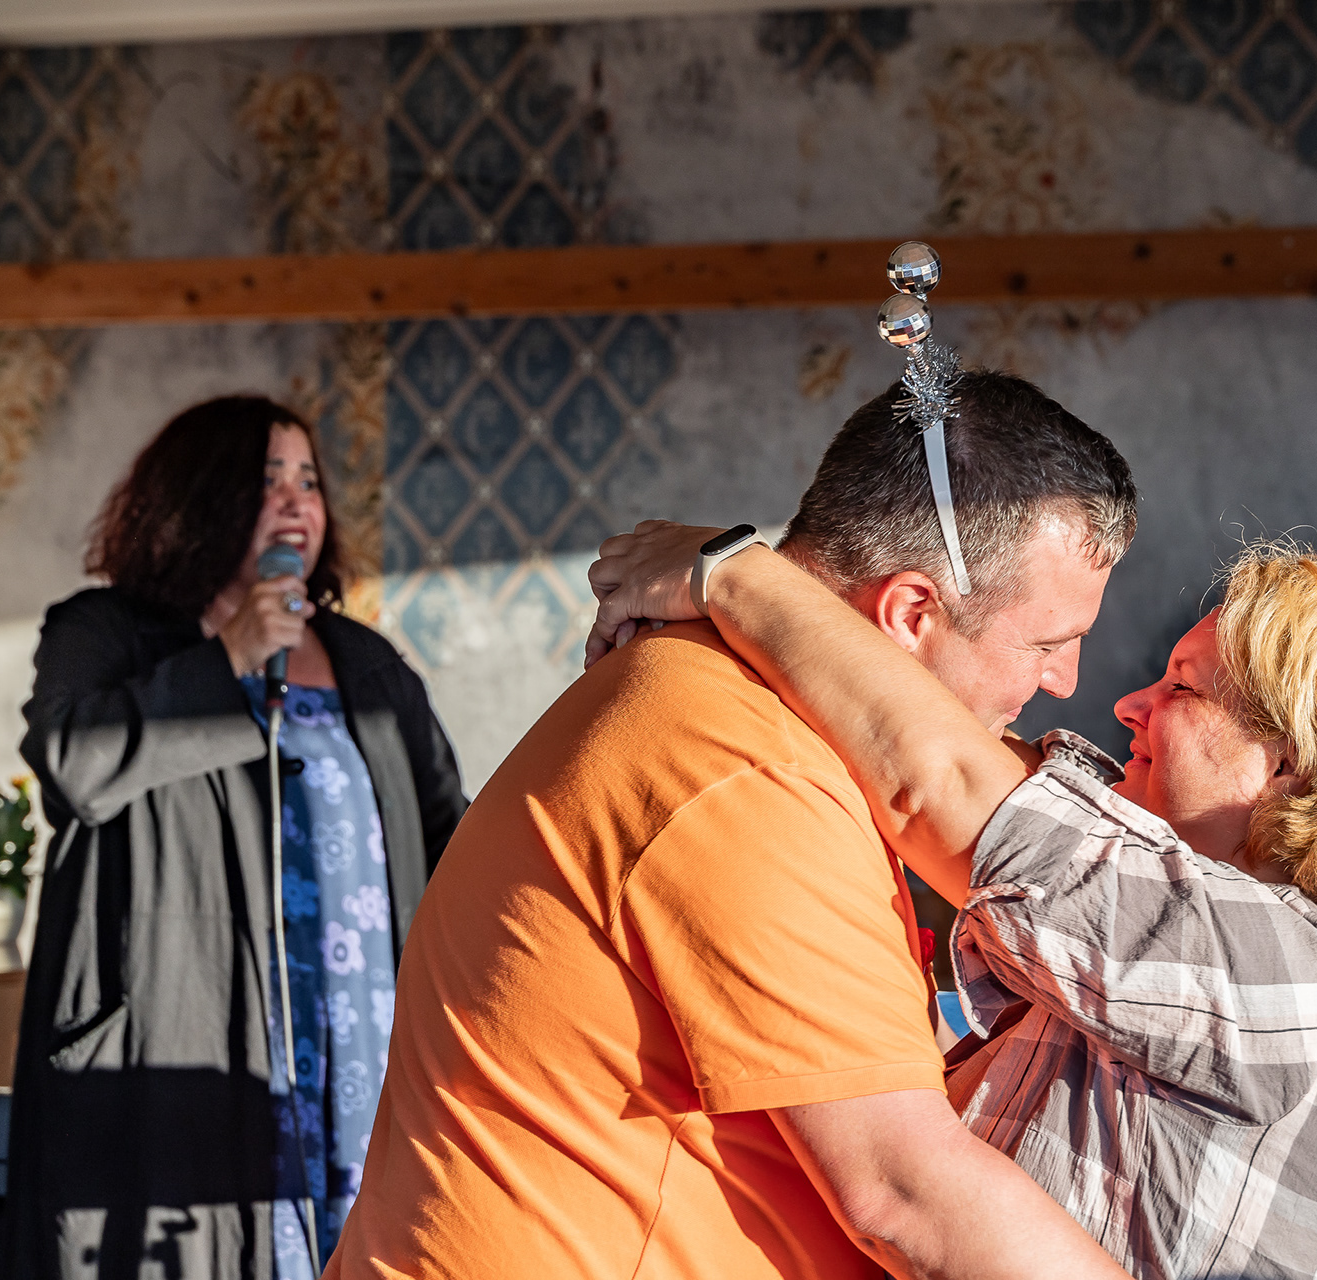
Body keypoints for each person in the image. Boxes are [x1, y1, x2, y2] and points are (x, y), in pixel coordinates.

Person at [328, 373, 1139, 1280]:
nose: (1066, 681)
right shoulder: (747, 762)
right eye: (1046, 644)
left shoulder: (730, 701)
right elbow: (905, 1195)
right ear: (912, 613)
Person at [583, 522, 1317, 1279]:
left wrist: (735, 574)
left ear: (1288, 765)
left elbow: (949, 789)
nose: (1128, 704)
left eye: (1181, 688)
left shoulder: (1306, 981)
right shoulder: (1234, 957)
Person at [12, 395, 467, 1279]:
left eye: (309, 480)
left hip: (360, 1030)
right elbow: (73, 766)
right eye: (267, 479)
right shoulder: (103, 633)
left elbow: (448, 829)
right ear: (197, 499)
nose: (297, 499)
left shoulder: (367, 663)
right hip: (183, 1031)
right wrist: (229, 659)